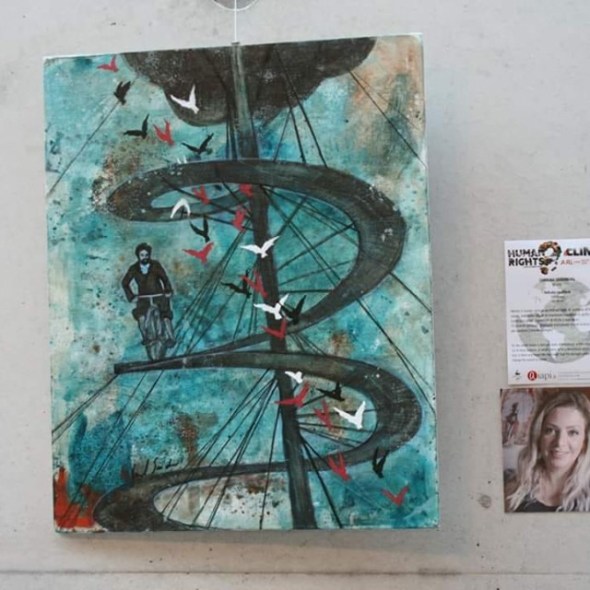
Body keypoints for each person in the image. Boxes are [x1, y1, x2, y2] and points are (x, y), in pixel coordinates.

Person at [505, 390, 590, 512]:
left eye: (572, 432)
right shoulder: (513, 489)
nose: (560, 442)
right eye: (550, 430)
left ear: (585, 442)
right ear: (538, 436)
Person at [122, 243, 176, 347]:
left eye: (147, 255)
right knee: (141, 317)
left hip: (159, 296)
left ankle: (171, 338)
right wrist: (131, 296)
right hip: (144, 299)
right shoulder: (133, 268)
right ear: (138, 256)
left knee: (165, 316)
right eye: (142, 255)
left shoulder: (156, 265)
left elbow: (165, 278)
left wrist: (168, 290)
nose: (145, 257)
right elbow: (125, 283)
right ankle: (146, 338)